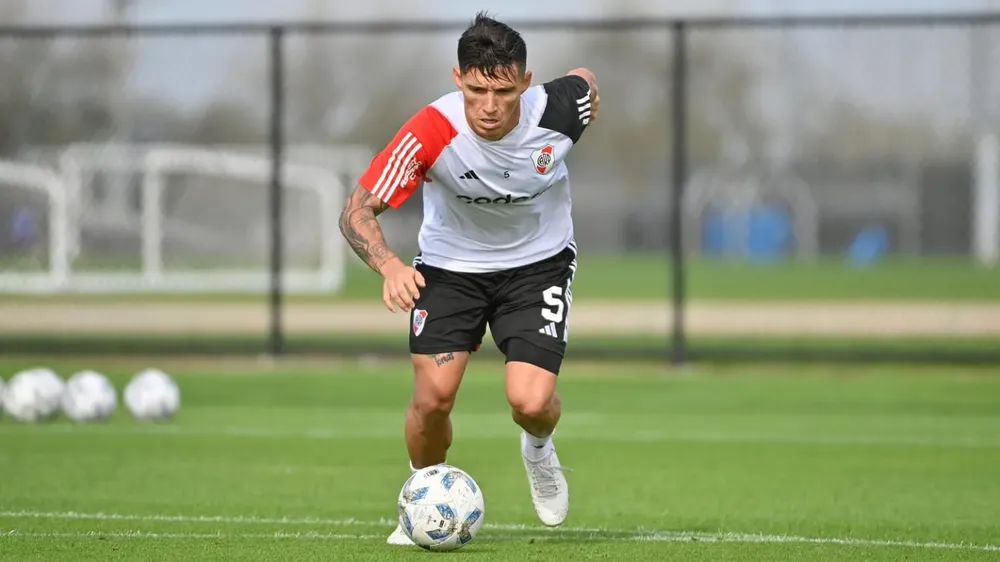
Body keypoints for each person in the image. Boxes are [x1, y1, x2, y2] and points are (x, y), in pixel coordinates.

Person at [338, 11, 599, 545]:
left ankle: (539, 449)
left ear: (525, 83)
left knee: (529, 403)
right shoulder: (430, 131)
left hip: (539, 264)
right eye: (476, 89)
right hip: (451, 268)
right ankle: (421, 499)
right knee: (432, 399)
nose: (488, 106)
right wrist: (389, 265)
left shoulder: (561, 109)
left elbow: (589, 81)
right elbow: (356, 212)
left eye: (502, 92)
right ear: (458, 79)